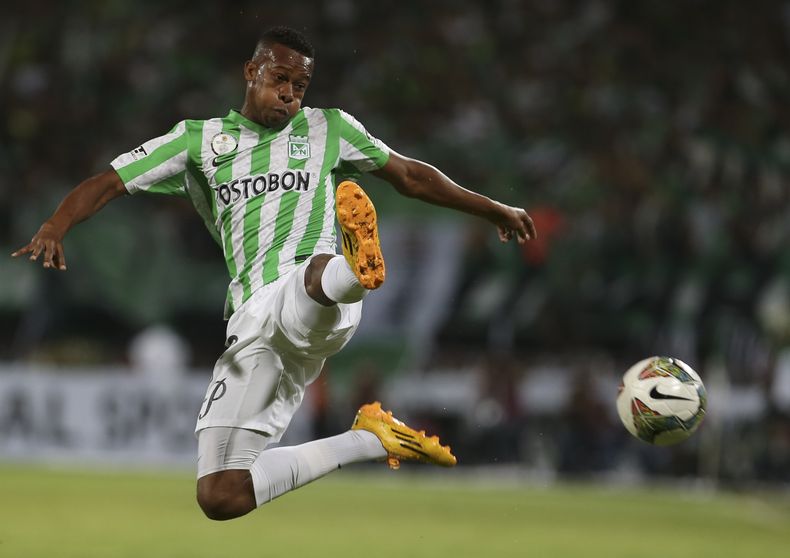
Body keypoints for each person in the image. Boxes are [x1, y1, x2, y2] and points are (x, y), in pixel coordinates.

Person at [12, 26, 537, 520]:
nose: (290, 94)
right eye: (279, 79)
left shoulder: (328, 128)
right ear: (251, 72)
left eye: (300, 85)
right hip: (252, 323)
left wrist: (491, 208)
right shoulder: (199, 141)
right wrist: (57, 225)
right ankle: (372, 438)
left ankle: (355, 267)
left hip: (317, 293)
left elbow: (411, 177)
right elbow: (109, 181)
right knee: (220, 495)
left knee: (311, 279)